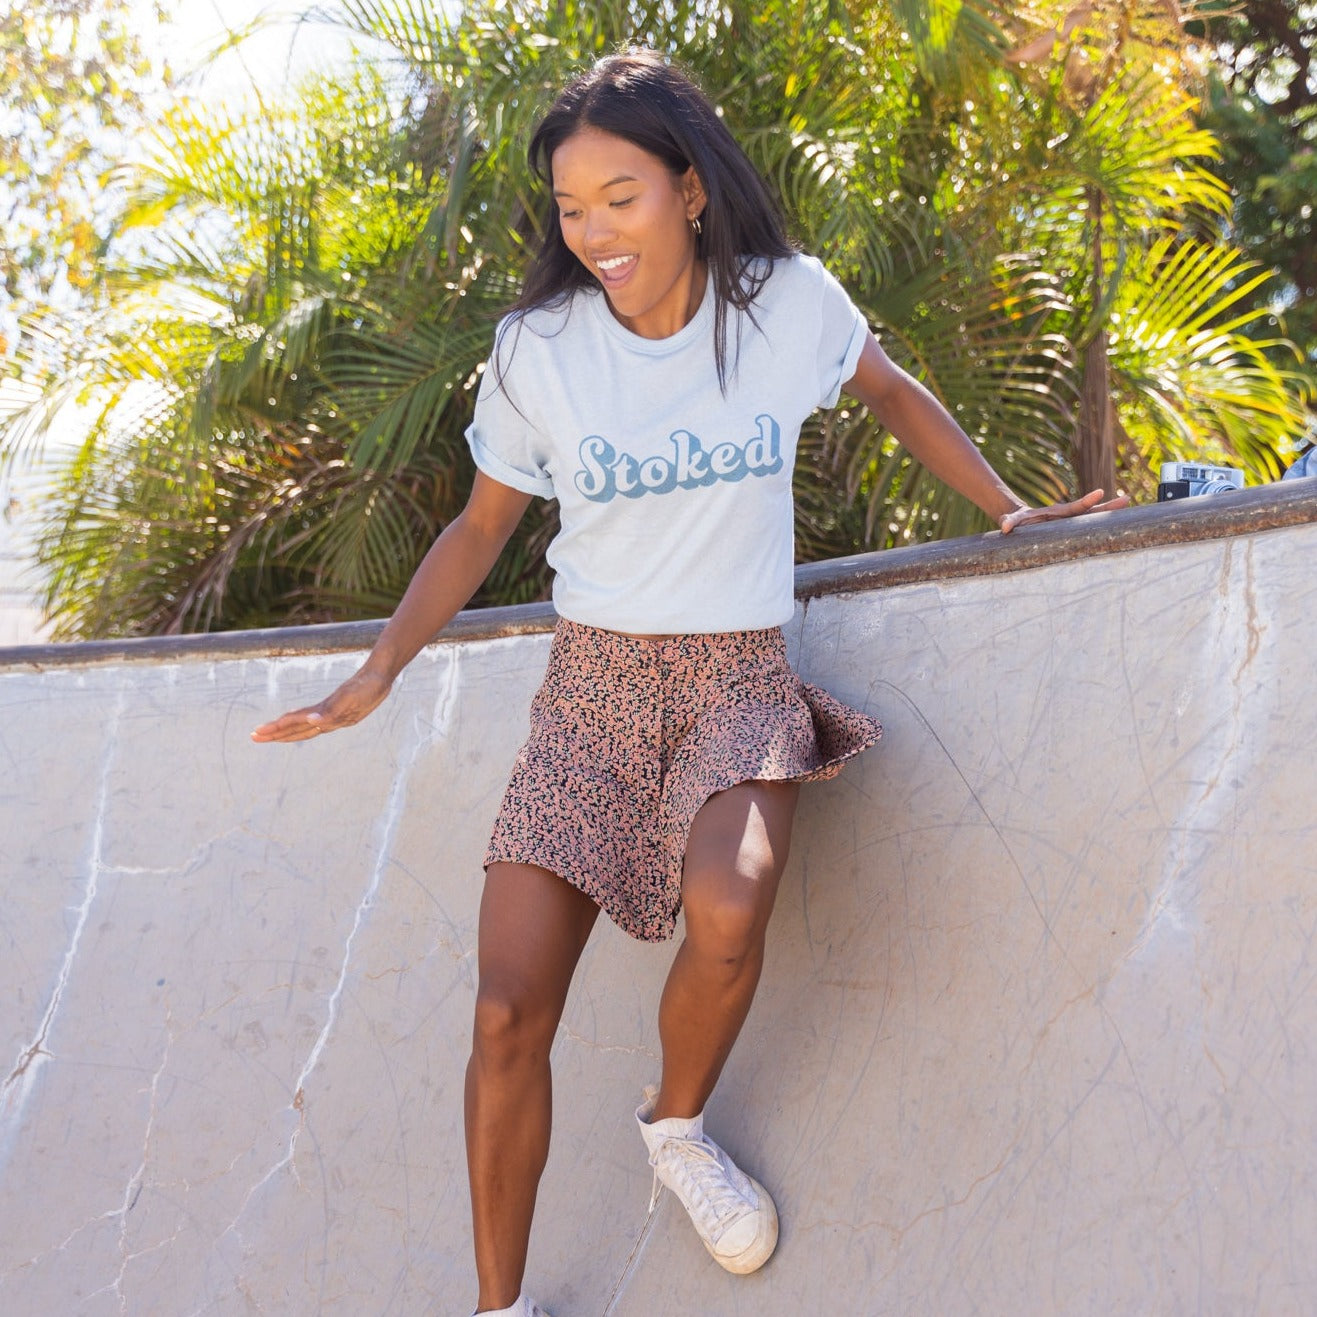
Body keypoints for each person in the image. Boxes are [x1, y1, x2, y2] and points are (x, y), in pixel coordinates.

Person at [252, 48, 1126, 1317]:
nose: (595, 228)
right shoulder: (539, 348)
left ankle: (675, 1130)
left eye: (622, 194)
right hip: (591, 692)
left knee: (731, 907)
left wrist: (1008, 509)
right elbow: (483, 525)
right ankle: (499, 1309)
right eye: (569, 206)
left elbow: (886, 389)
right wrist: (378, 670)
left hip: (736, 677)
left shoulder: (785, 305)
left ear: (690, 189)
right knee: (505, 1013)